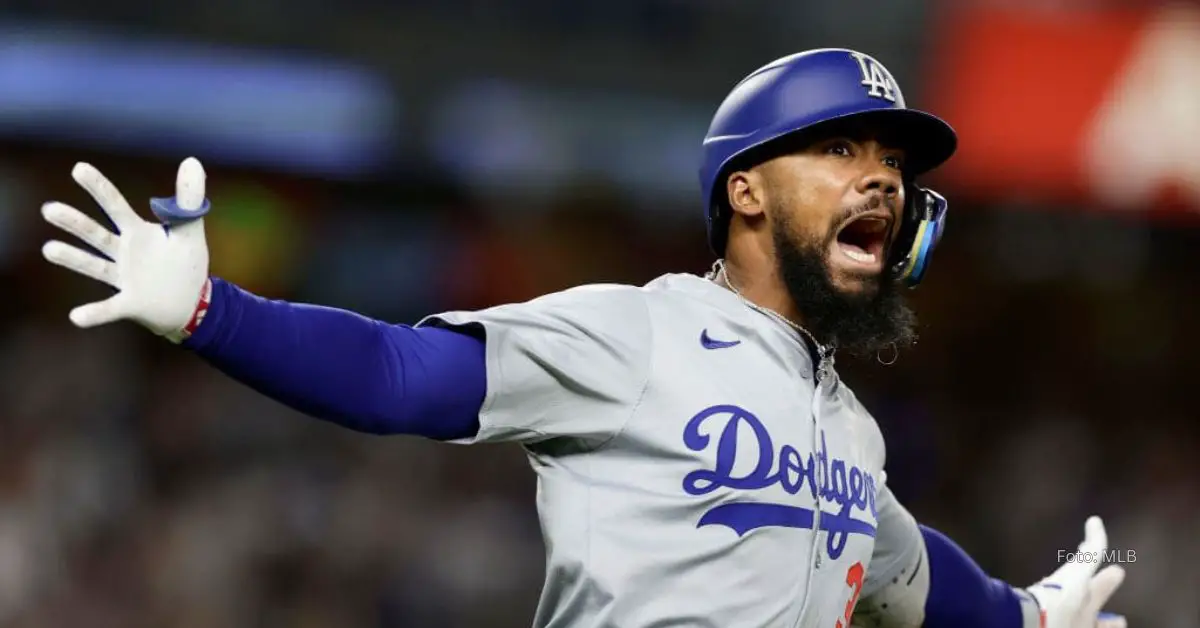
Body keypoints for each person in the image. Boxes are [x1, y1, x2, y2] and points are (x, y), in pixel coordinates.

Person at [40, 48, 1127, 628]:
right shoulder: (637, 330)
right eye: (841, 147)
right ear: (744, 190)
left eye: (893, 162)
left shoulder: (850, 432)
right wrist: (211, 311)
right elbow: (400, 374)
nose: (880, 176)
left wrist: (1029, 614)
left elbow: (915, 577)